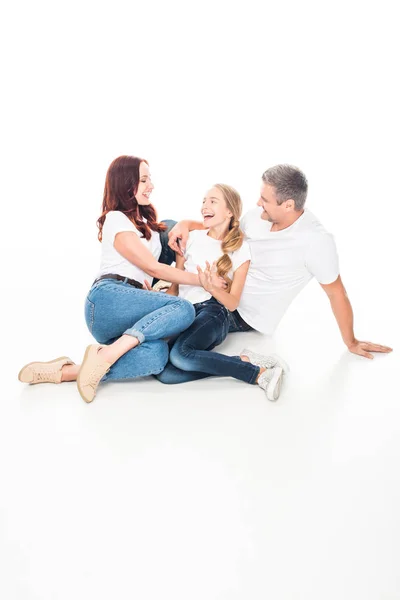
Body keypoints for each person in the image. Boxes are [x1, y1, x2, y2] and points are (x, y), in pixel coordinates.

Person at [18, 155, 224, 403]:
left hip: (130, 316)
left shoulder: (149, 228)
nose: (151, 185)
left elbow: (194, 229)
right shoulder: (116, 218)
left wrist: (185, 224)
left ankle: (66, 372)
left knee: (157, 356)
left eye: (150, 179)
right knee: (183, 308)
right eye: (144, 179)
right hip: (107, 300)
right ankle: (106, 356)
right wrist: (203, 281)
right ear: (126, 183)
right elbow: (154, 269)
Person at [167, 165, 393, 359]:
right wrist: (185, 224)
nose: (257, 203)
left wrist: (351, 342)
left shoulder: (316, 242)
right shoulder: (257, 217)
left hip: (240, 313)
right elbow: (225, 230)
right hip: (220, 286)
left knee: (175, 343)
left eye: (265, 200)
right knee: (168, 228)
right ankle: (154, 283)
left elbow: (337, 293)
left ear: (288, 205)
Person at [155, 183, 289, 401]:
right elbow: (175, 288)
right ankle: (245, 360)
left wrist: (210, 288)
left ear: (229, 211)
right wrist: (153, 299)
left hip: (214, 311)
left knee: (181, 355)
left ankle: (258, 375)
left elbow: (233, 303)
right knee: (165, 373)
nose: (204, 206)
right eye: (204, 201)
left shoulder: (240, 248)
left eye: (212, 201)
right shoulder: (190, 238)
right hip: (184, 311)